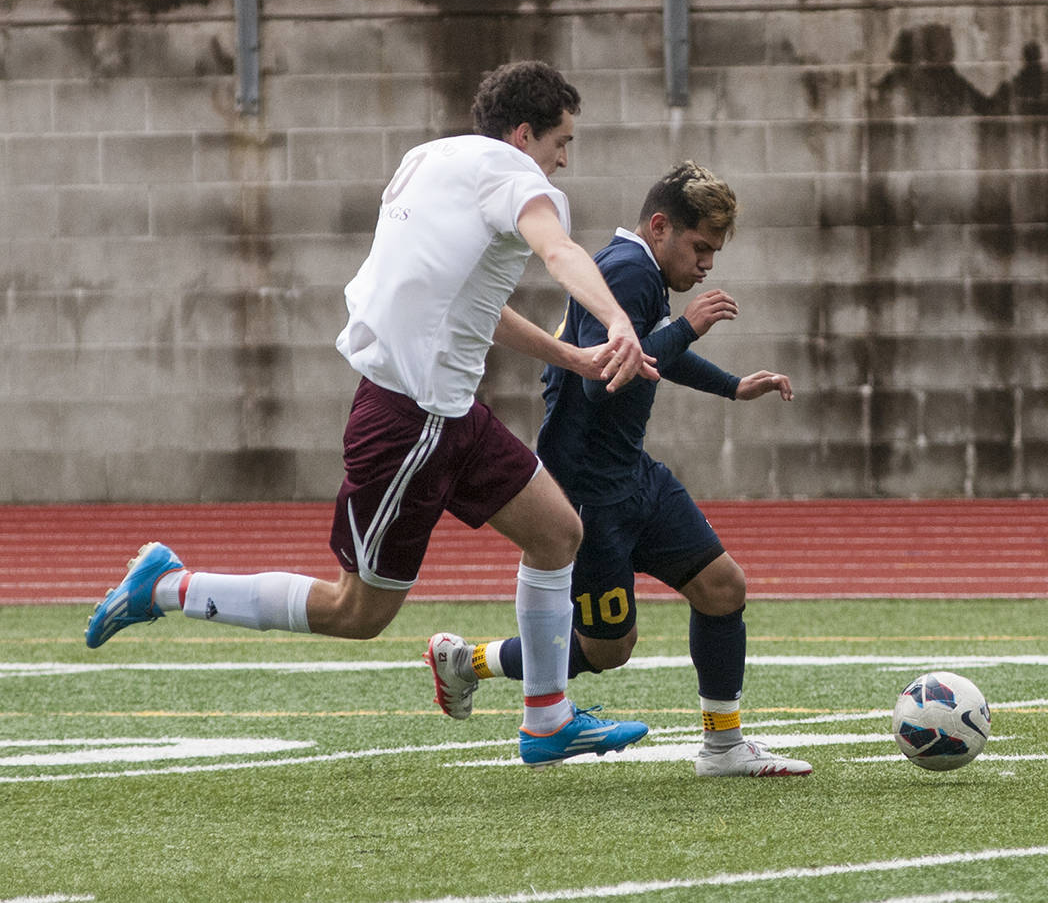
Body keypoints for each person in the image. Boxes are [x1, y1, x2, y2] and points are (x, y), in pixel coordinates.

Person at [84, 60, 656, 768]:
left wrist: (570, 357)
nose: (563, 160)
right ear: (522, 134)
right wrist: (614, 319)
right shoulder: (520, 179)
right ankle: (166, 586)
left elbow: (476, 303)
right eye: (560, 141)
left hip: (448, 413)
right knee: (356, 612)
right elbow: (559, 249)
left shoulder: (432, 159)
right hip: (410, 423)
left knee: (557, 534)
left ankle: (547, 720)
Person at [427, 162, 812, 777]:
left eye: (715, 251)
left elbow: (652, 350)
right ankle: (468, 660)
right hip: (587, 493)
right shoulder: (629, 272)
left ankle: (723, 747)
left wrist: (732, 386)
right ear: (660, 226)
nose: (708, 263)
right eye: (700, 246)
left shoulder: (639, 272)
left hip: (631, 474)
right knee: (607, 650)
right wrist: (688, 327)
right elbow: (609, 379)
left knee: (722, 588)